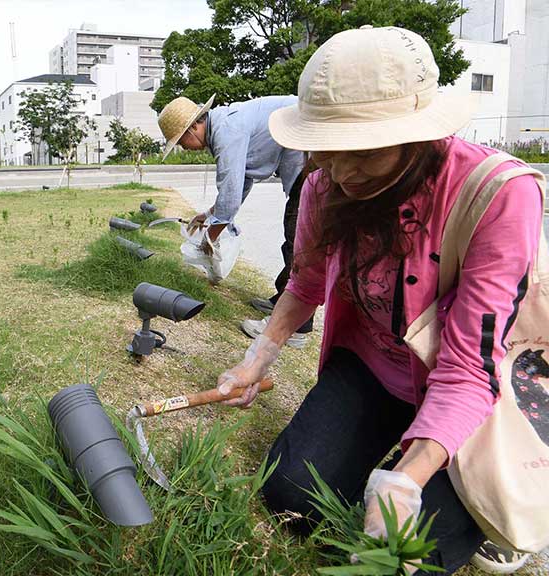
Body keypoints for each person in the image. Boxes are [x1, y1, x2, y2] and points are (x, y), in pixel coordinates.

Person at [217, 26, 543, 575]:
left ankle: (489, 516)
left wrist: (407, 476)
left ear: (417, 135)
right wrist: (258, 358)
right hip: (374, 366)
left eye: (362, 152)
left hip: (471, 390)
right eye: (328, 149)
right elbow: (306, 280)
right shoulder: (326, 186)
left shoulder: (497, 194)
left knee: (398, 557)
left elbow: (467, 368)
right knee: (293, 496)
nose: (341, 173)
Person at [157, 94, 313, 348]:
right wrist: (208, 216)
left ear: (193, 127)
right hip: (300, 148)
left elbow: (230, 188)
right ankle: (282, 299)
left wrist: (212, 238)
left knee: (299, 240)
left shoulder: (226, 131)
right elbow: (241, 183)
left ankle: (295, 326)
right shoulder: (224, 125)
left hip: (309, 150)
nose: (182, 147)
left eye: (180, 140)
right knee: (295, 237)